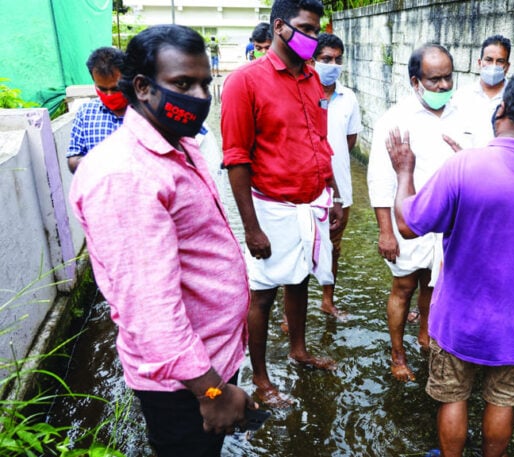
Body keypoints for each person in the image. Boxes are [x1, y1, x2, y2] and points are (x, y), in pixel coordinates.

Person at [69, 25, 258, 457]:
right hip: (186, 386)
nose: (199, 97)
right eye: (182, 84)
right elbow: (150, 313)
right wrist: (213, 394)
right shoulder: (125, 175)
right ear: (143, 87)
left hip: (209, 362)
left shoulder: (179, 144)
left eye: (205, 84)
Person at [386, 67, 514, 457]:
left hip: (460, 318)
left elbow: (408, 225)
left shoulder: (466, 167)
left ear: (502, 109)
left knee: (453, 398)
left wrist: (404, 172)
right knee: (503, 400)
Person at [221, 0, 340, 408]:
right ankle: (260, 379)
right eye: (306, 28)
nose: (313, 36)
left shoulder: (312, 79)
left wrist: (333, 192)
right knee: (262, 293)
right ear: (279, 27)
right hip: (270, 206)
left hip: (311, 202)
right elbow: (236, 158)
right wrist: (252, 228)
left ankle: (298, 349)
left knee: (301, 277)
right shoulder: (245, 82)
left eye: (316, 28)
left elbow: (320, 144)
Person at [367, 43, 469, 382]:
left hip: (450, 225)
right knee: (404, 285)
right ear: (415, 81)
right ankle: (398, 353)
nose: (442, 86)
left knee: (434, 285)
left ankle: (426, 337)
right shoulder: (395, 121)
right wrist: (385, 231)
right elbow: (381, 179)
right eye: (434, 80)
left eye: (447, 79)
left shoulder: (463, 115)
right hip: (407, 221)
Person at [313, 33, 362, 318]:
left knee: (333, 246)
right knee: (300, 246)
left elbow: (349, 141)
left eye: (337, 59)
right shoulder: (301, 94)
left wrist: (334, 166)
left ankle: (327, 300)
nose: (333, 64)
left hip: (340, 188)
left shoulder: (348, 98)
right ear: (313, 60)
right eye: (326, 59)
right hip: (306, 187)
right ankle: (289, 313)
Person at [66, 47, 127, 173]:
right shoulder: (85, 113)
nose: (109, 95)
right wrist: (99, 162)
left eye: (115, 89)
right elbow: (73, 159)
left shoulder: (144, 111)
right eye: (102, 89)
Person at [451, 34, 511, 148]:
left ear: (507, 67)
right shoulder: (462, 96)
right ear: (480, 63)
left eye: (500, 61)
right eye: (488, 60)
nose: (493, 66)